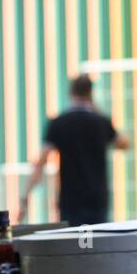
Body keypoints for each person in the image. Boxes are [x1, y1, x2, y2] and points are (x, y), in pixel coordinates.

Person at [21, 74, 130, 226]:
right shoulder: (101, 122)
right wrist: (96, 108)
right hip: (96, 197)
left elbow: (41, 162)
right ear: (90, 94)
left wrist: (25, 196)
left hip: (70, 198)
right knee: (97, 243)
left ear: (71, 92)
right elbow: (124, 144)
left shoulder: (59, 123)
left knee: (73, 245)